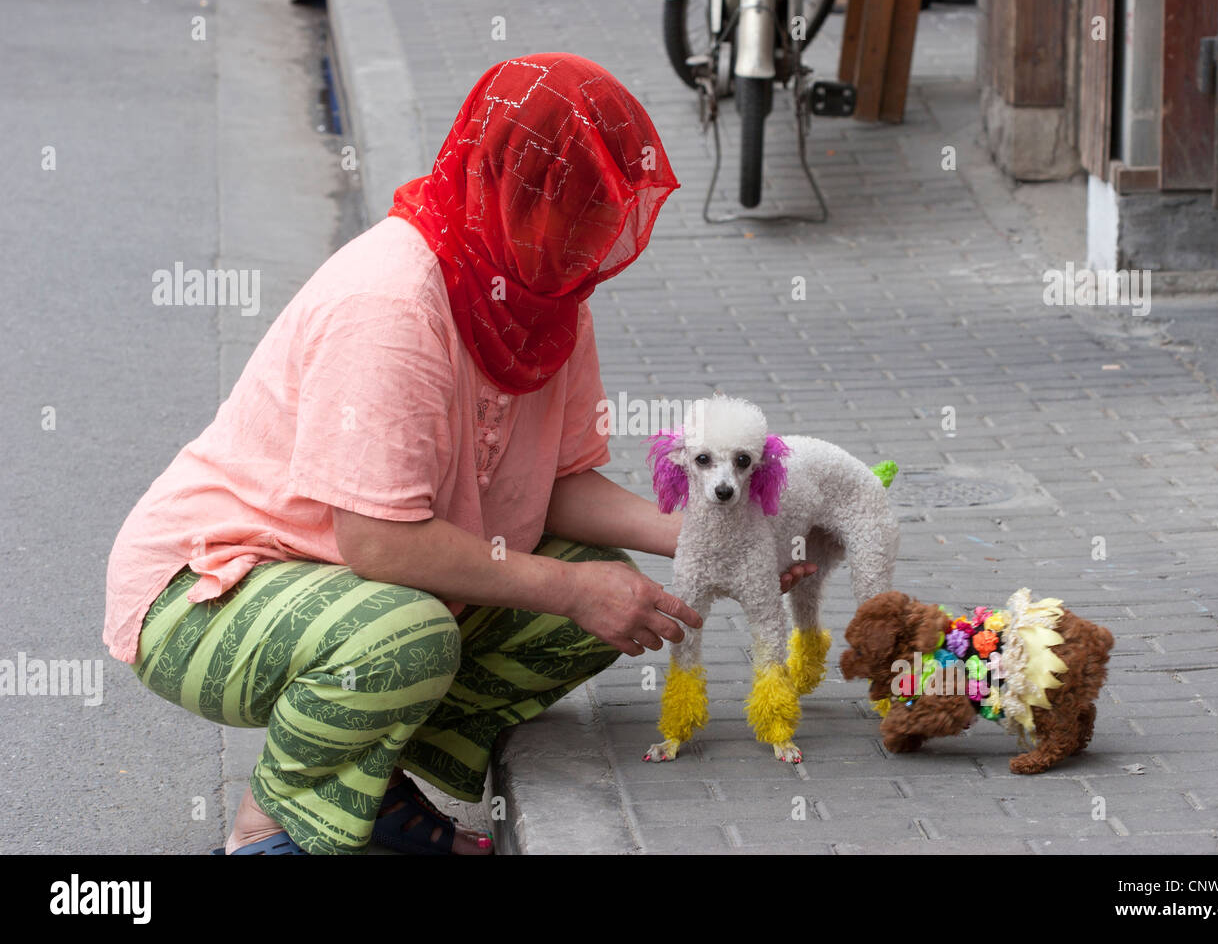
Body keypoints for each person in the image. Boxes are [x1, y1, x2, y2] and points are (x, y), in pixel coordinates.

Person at [103, 52, 814, 855]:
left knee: (601, 600)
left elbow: (561, 485)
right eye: (572, 207)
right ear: (510, 187)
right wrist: (571, 587)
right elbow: (379, 542)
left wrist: (727, 538)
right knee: (422, 630)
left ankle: (368, 787)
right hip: (208, 595)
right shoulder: (393, 301)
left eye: (602, 210)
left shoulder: (548, 299)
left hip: (350, 584)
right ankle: (268, 825)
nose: (592, 237)